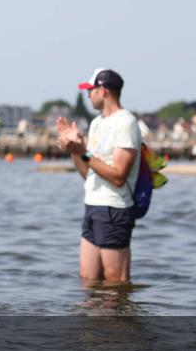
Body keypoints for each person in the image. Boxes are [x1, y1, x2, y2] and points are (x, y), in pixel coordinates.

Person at [56, 69, 141, 284]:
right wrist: (74, 149)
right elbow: (89, 174)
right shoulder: (96, 123)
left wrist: (83, 152)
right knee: (88, 280)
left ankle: (119, 309)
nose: (88, 95)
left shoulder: (126, 123)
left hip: (114, 208)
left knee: (116, 283)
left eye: (90, 90)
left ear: (103, 91)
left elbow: (119, 176)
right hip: (92, 205)